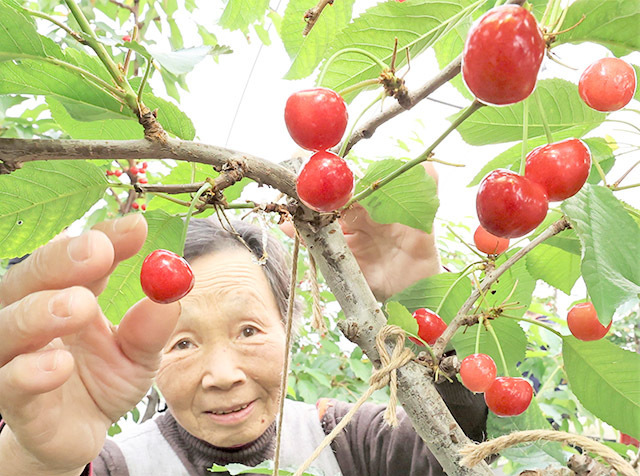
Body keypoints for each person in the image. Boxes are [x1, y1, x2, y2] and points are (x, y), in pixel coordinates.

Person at [0, 167, 487, 476]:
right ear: (145, 355)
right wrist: (33, 462)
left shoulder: (349, 441)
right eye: (182, 343)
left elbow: (457, 450)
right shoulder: (114, 465)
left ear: (287, 327)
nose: (223, 376)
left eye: (249, 330)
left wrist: (427, 319)